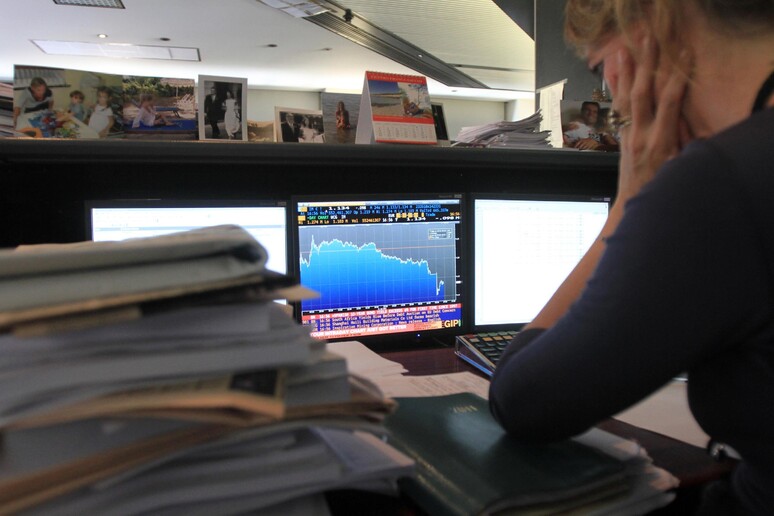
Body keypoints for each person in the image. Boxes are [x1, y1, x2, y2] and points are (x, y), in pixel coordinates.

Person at [488, 1, 774, 514]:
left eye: (601, 68)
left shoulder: (722, 181)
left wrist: (629, 200)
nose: (613, 98)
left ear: (646, 30)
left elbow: (523, 401)